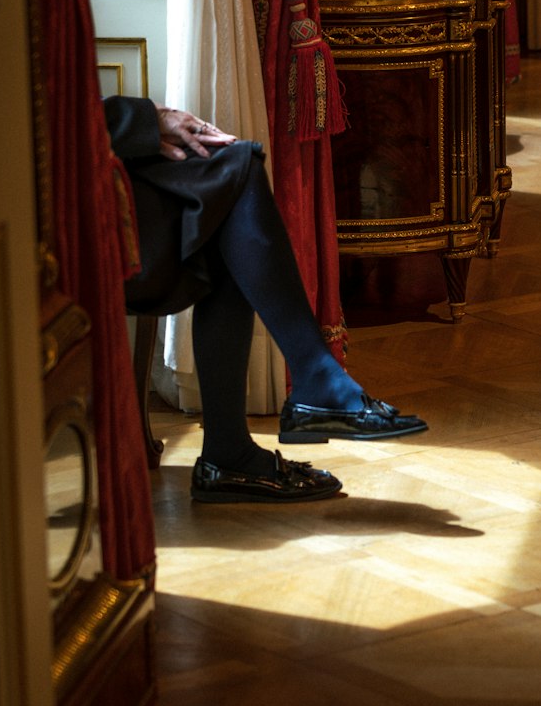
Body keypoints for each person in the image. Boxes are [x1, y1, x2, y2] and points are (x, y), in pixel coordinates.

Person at [105, 96, 428, 506]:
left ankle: (242, 442)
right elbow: (28, 111)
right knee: (232, 178)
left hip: (76, 165)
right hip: (50, 212)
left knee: (231, 175)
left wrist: (140, 122)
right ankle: (296, 396)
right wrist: (144, 120)